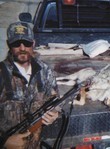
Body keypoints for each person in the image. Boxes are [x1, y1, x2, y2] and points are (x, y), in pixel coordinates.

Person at [0, 21, 59, 149]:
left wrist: (53, 114)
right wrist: (4, 141)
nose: (22, 48)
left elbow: (54, 101)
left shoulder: (45, 71)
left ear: (33, 43)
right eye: (16, 43)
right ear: (8, 45)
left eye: (26, 43)